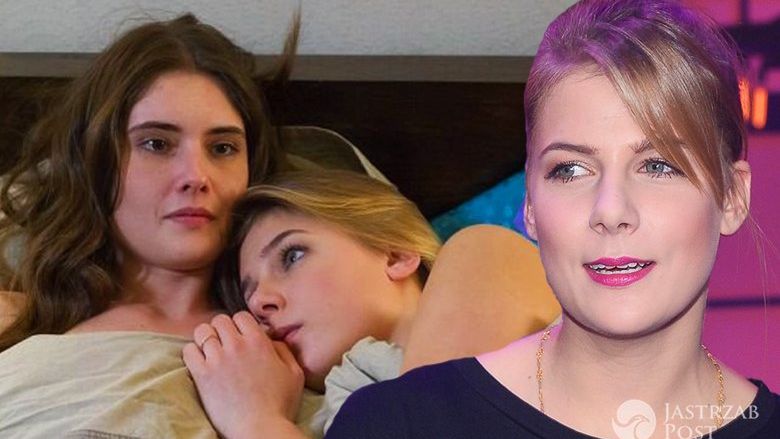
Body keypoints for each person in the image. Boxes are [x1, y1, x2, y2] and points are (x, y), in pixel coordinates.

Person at [326, 1, 780, 438]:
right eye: (571, 170)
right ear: (529, 205)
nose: (611, 211)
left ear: (732, 196)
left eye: (658, 166)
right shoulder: (395, 424)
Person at [0, 13, 296, 437]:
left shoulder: (294, 336)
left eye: (223, 148)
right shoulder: (18, 322)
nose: (196, 176)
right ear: (97, 162)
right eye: (157, 144)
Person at [182, 169, 561, 438]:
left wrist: (255, 422)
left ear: (396, 254)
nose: (260, 302)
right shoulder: (340, 402)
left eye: (292, 255)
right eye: (248, 296)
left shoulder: (482, 254)